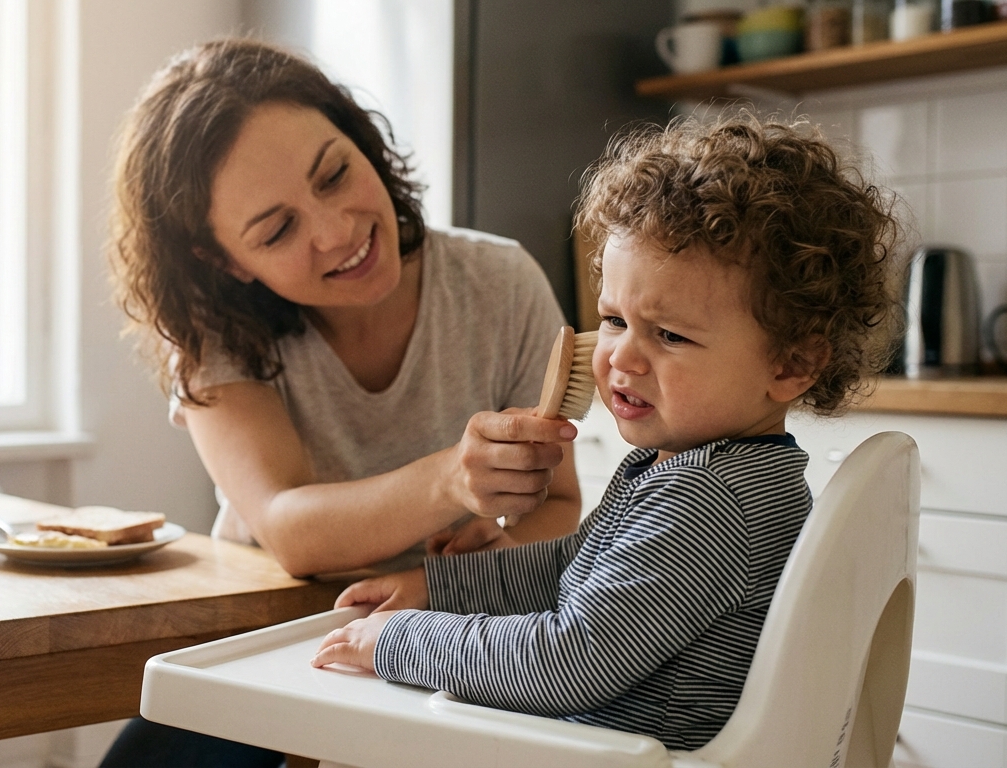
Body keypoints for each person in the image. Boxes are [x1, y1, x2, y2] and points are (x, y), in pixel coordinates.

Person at [311, 113, 905, 751]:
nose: (620, 358)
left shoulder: (710, 500)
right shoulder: (705, 468)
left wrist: (399, 641)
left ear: (791, 364)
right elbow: (574, 566)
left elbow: (566, 662)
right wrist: (437, 588)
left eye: (670, 335)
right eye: (614, 319)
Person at [102, 38, 584, 766]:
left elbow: (557, 505)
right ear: (225, 260)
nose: (337, 232)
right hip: (270, 652)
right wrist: (452, 479)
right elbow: (287, 524)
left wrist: (461, 578)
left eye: (334, 175)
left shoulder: (499, 281)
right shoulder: (214, 338)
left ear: (362, 142)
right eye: (277, 230)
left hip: (445, 646)